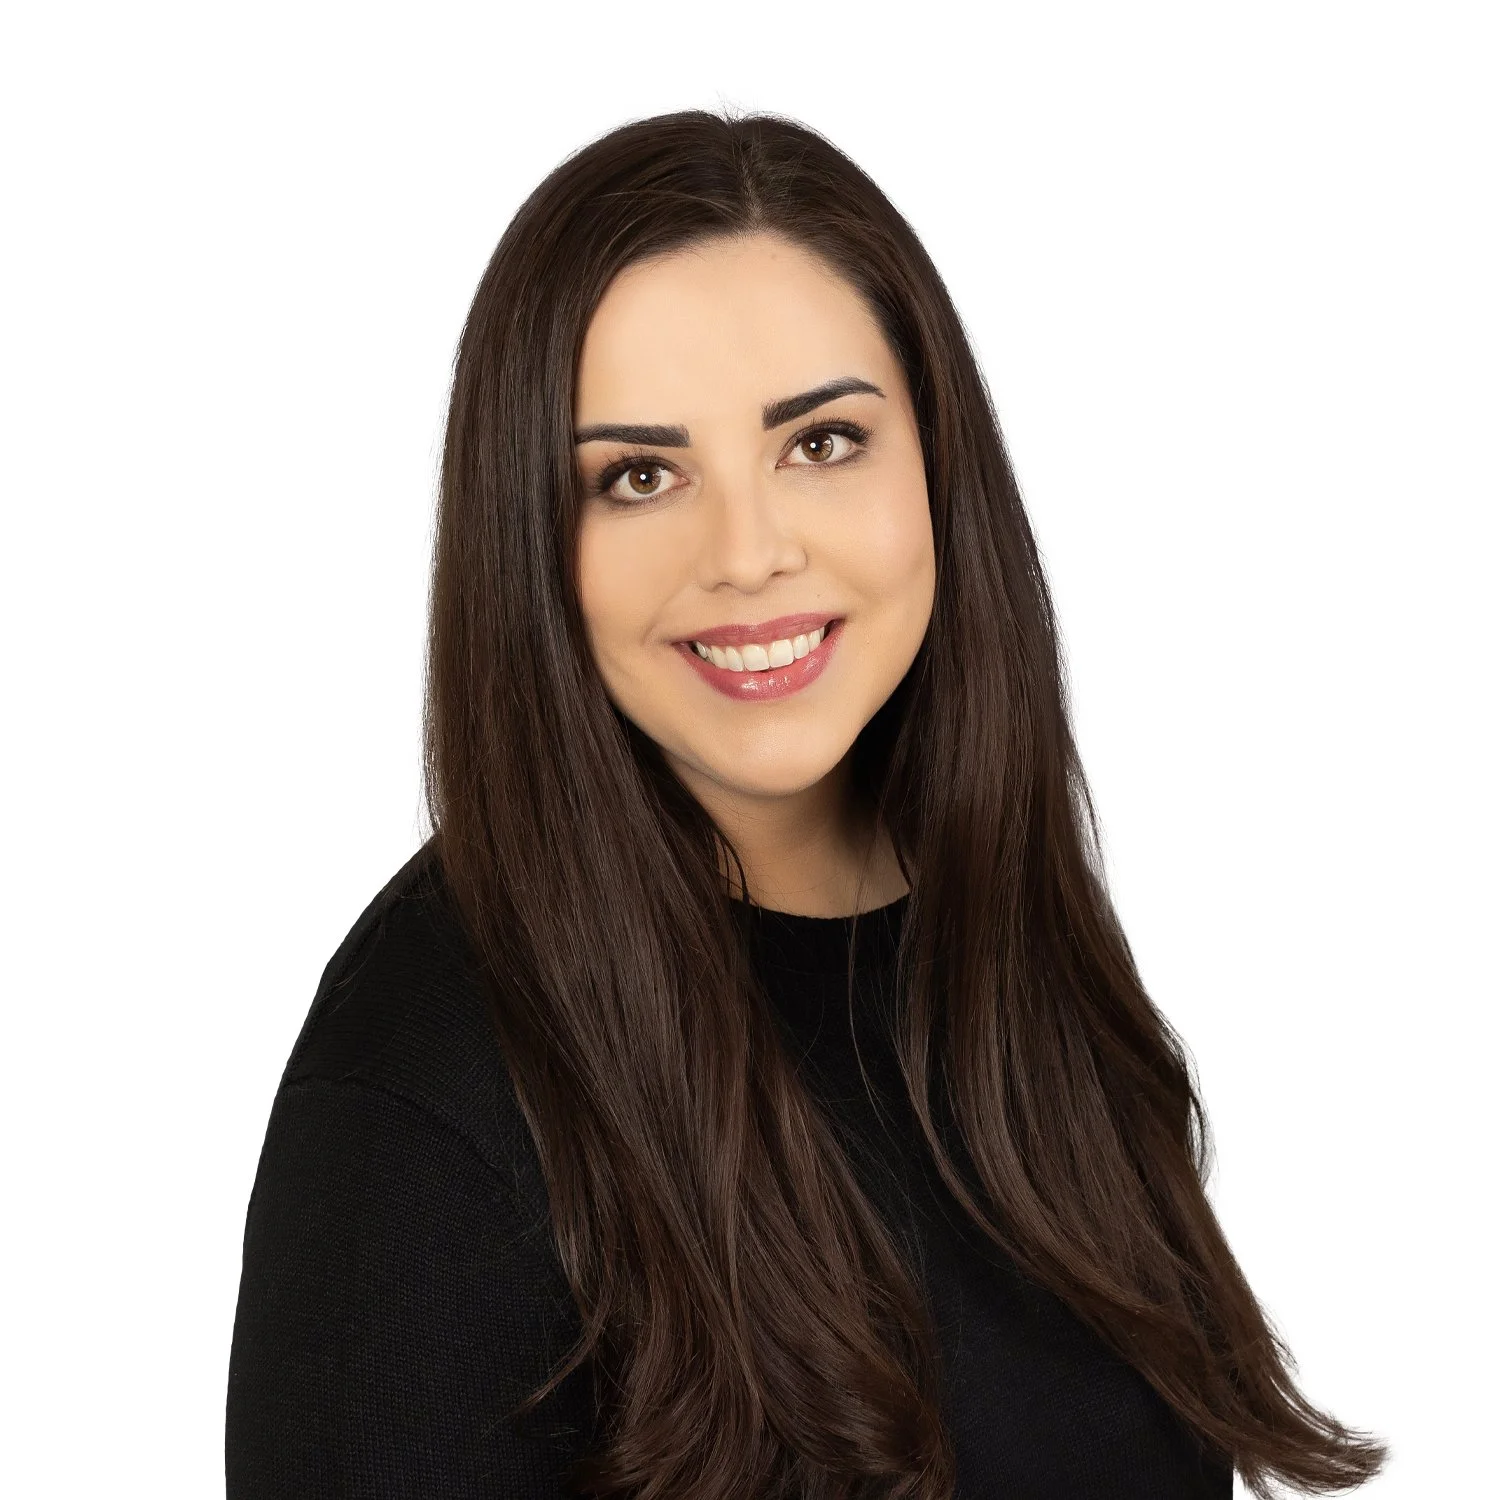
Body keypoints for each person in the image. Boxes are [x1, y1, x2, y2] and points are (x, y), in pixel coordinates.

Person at [225, 108, 1388, 1499]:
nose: (750, 553)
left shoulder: (1001, 944)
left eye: (821, 443)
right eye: (639, 476)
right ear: (531, 547)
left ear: (936, 467)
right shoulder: (424, 1104)